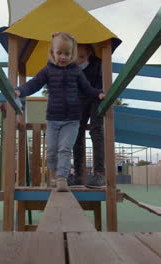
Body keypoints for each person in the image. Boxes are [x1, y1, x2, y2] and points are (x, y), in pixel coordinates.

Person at [14, 32, 105, 192]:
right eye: (59, 53)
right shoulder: (47, 70)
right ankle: (55, 175)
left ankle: (62, 178)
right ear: (52, 53)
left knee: (65, 149)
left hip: (72, 119)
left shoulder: (76, 71)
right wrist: (20, 91)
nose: (63, 57)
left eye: (67, 54)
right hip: (54, 119)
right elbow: (34, 84)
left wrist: (98, 93)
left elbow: (87, 88)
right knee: (51, 151)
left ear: (72, 54)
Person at [70, 44, 105, 188]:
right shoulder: (70, 66)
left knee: (96, 130)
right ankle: (78, 175)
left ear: (89, 53)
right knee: (77, 132)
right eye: (75, 57)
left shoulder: (99, 64)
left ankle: (99, 174)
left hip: (98, 97)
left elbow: (105, 81)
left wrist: (102, 92)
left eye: (82, 57)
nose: (78, 60)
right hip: (80, 99)